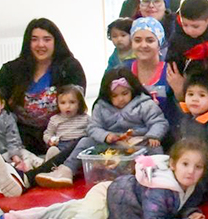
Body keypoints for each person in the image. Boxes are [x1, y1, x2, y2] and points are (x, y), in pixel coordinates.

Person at [0, 140, 208, 219]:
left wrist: (190, 212)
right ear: (172, 165)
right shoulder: (160, 189)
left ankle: (3, 218)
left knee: (64, 210)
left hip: (108, 194)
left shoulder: (184, 184)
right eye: (185, 165)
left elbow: (179, 203)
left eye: (197, 167)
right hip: (107, 202)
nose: (191, 172)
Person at [34, 67, 169, 188]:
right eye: (115, 96)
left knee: (155, 147)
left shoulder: (144, 103)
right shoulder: (101, 107)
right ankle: (67, 170)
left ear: (133, 90)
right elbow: (93, 127)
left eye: (125, 93)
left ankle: (159, 174)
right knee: (84, 142)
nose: (120, 99)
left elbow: (159, 122)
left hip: (139, 143)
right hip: (112, 144)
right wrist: (105, 136)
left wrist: (153, 135)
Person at [0, 18, 87, 155]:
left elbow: (77, 104)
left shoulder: (70, 67)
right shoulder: (11, 69)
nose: (40, 45)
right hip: (21, 135)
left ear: (56, 42)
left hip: (61, 134)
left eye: (47, 39)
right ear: (28, 42)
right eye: (34, 39)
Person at [128, 17, 180, 130]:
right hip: (130, 135)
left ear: (159, 43)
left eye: (150, 40)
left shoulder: (171, 71)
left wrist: (179, 92)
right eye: (137, 40)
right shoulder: (124, 71)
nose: (143, 45)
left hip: (166, 136)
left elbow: (182, 110)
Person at [42, 84, 89, 161]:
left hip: (79, 146)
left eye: (72, 102)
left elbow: (92, 131)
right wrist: (50, 140)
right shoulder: (55, 119)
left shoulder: (85, 118)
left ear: (79, 103)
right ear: (58, 104)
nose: (67, 106)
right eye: (63, 103)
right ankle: (50, 167)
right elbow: (47, 134)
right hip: (62, 146)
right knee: (53, 150)